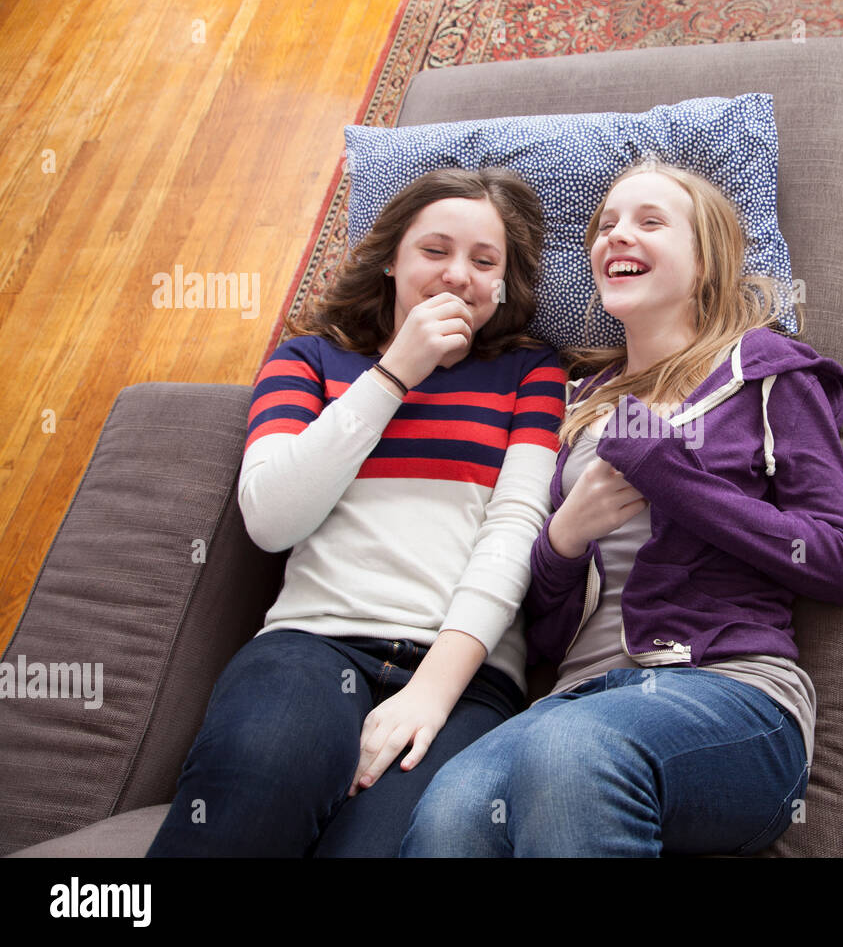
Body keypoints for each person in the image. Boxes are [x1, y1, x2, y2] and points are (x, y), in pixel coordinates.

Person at [400, 158, 843, 857]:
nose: (617, 236)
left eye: (650, 222)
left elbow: (839, 561)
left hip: (729, 692)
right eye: (606, 224)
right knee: (449, 812)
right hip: (580, 693)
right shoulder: (576, 403)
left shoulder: (768, 372)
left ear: (707, 263)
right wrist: (562, 542)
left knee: (570, 748)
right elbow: (551, 639)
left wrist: (671, 474)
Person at [146, 167, 565, 857]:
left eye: (484, 261)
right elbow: (272, 519)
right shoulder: (308, 361)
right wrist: (395, 373)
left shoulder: (532, 373)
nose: (458, 275)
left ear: (504, 285)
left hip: (463, 678)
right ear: (392, 260)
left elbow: (516, 529)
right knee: (243, 802)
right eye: (434, 251)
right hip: (313, 646)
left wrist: (430, 693)